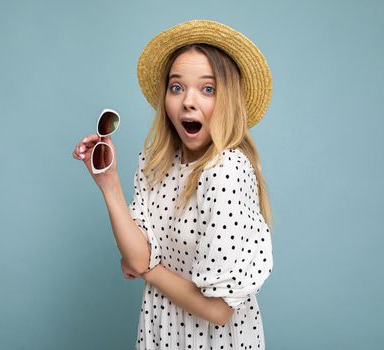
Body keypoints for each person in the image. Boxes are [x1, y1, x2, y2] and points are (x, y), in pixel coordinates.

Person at [72, 19, 274, 350]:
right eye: (177, 87)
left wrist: (148, 271)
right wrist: (108, 182)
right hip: (161, 331)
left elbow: (219, 310)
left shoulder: (227, 170)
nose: (187, 102)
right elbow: (138, 255)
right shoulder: (156, 162)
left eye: (207, 89)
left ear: (228, 100)